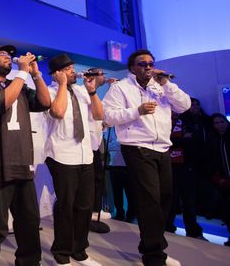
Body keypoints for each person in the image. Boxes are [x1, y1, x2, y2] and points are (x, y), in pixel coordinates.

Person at [103, 49, 191, 266]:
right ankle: (154, 255)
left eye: (151, 63)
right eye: (143, 64)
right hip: (137, 148)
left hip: (162, 149)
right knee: (149, 200)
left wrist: (167, 84)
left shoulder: (159, 86)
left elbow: (185, 105)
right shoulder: (120, 88)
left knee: (164, 198)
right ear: (132, 68)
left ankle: (151, 244)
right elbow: (108, 116)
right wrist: (137, 111)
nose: (148, 67)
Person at [0, 45, 51, 266]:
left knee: (29, 223)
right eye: (3, 55)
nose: (9, 57)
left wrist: (35, 74)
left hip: (23, 164)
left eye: (10, 55)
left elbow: (45, 103)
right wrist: (23, 73)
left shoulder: (21, 86)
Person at [43, 54, 103, 266]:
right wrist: (61, 86)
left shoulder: (81, 90)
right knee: (66, 206)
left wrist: (93, 91)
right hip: (61, 155)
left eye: (72, 68)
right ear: (57, 73)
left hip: (85, 155)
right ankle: (61, 252)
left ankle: (80, 251)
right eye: (67, 69)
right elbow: (57, 112)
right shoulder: (49, 92)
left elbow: (98, 115)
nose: (73, 71)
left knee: (84, 206)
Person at [165, 111, 206, 240]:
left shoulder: (187, 124)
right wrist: (182, 139)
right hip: (168, 167)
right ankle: (168, 228)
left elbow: (193, 140)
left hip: (186, 167)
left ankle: (193, 231)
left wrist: (176, 140)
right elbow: (165, 141)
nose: (174, 113)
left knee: (189, 201)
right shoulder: (163, 123)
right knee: (169, 200)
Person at [86, 68, 112, 221]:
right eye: (102, 74)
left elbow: (100, 114)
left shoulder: (95, 95)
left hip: (95, 144)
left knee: (97, 177)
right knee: (92, 179)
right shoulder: (84, 93)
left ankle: (95, 209)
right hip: (86, 144)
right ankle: (92, 210)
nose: (104, 76)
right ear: (92, 76)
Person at [209, 113, 230, 247]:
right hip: (223, 182)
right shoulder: (215, 140)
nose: (220, 125)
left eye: (221, 122)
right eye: (216, 123)